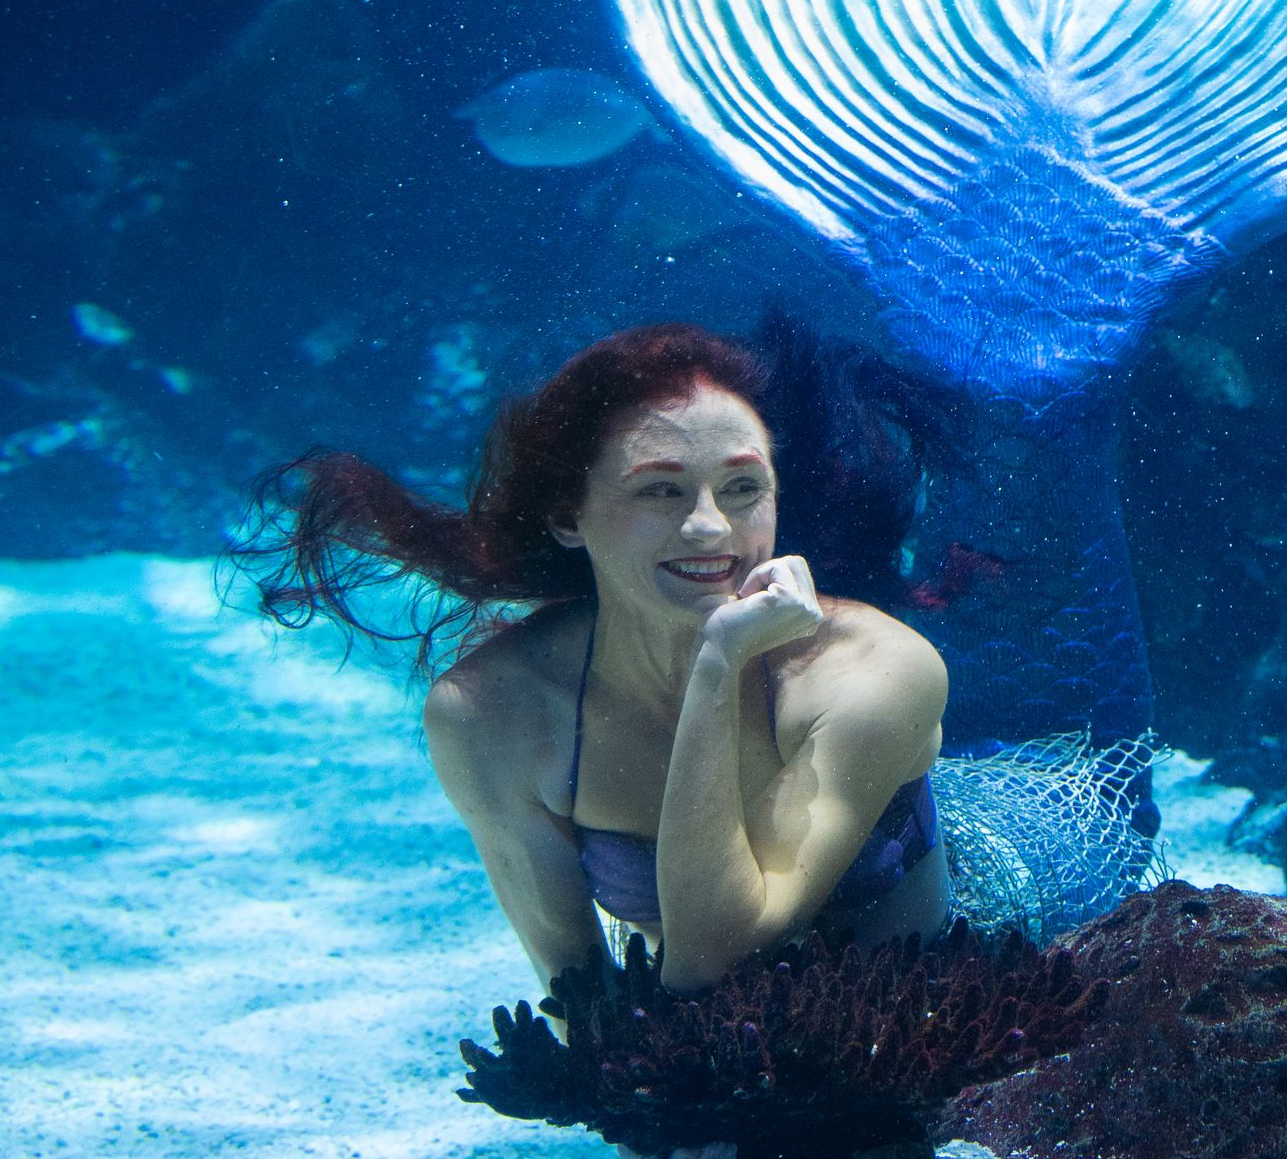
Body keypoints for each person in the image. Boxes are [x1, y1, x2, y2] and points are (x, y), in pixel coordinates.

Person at [239, 323, 951, 995]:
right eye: (660, 490)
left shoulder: (875, 669)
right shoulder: (493, 712)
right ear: (566, 517)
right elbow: (575, 990)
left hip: (946, 997)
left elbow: (718, 955)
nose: (708, 526)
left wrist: (718, 665)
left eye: (742, 488)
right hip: (711, 1060)